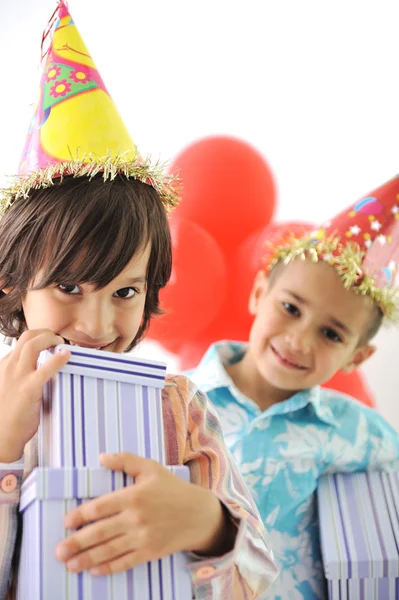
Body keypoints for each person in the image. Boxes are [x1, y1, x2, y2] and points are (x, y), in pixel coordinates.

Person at [0, 3, 278, 599]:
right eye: (69, 286)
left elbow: (259, 574)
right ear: (14, 284)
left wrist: (206, 522)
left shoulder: (179, 405)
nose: (99, 323)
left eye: (124, 291)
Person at [188, 179, 399, 599]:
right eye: (290, 308)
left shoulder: (365, 437)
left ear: (356, 358)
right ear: (259, 292)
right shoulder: (175, 401)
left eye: (331, 334)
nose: (300, 341)